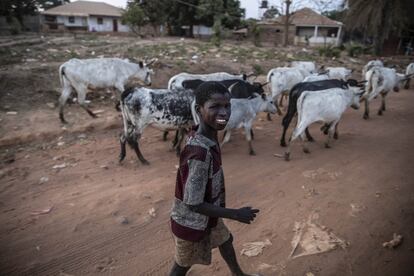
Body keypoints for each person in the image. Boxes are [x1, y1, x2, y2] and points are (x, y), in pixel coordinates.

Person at [169, 81, 260, 276]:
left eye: (227, 106)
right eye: (215, 107)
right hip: (190, 222)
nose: (223, 112)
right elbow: (193, 203)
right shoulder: (199, 153)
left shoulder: (207, 138)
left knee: (226, 241)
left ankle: (238, 274)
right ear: (198, 109)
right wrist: (235, 214)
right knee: (181, 266)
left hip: (209, 217)